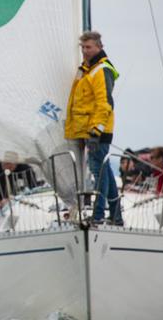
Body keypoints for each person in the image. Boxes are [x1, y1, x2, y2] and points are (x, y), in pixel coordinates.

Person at [65, 31, 123, 225]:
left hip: (97, 132)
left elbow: (104, 103)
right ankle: (116, 216)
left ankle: (98, 215)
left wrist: (95, 131)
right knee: (105, 172)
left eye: (88, 47)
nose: (85, 51)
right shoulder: (87, 69)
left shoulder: (101, 70)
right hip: (87, 130)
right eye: (83, 47)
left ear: (99, 47)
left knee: (99, 173)